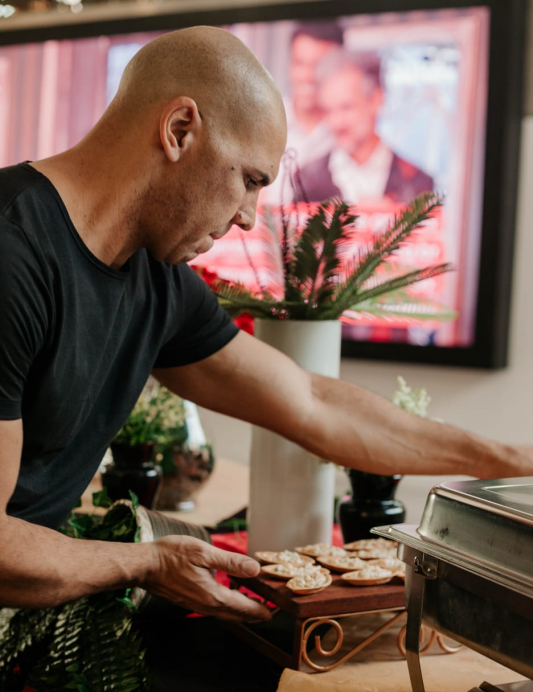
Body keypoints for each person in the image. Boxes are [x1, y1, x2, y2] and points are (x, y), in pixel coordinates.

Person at [1, 26, 532, 620]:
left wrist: (510, 462)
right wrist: (148, 562)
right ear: (179, 131)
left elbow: (311, 404)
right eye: (249, 179)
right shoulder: (12, 251)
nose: (251, 218)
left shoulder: (155, 275)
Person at [296, 50, 434, 204]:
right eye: (328, 111)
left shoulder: (416, 181)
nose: (336, 123)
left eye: (346, 108)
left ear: (375, 100)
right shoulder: (306, 179)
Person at [260, 20, 343, 205]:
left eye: (318, 66)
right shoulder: (262, 122)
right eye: (300, 63)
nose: (307, 76)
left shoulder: (348, 133)